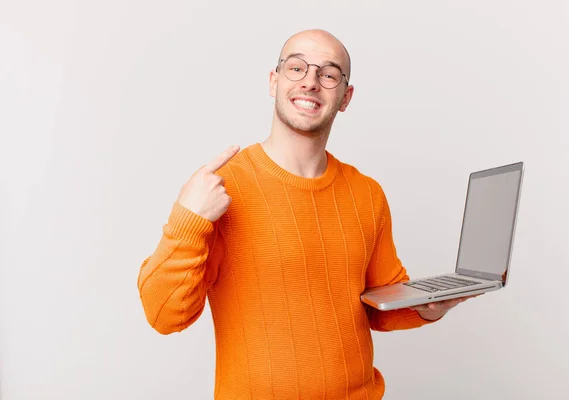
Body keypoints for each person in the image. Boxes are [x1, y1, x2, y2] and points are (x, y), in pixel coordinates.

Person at [137, 29, 478, 399]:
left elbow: (379, 306)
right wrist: (189, 217)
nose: (311, 82)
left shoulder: (367, 194)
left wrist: (429, 307)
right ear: (274, 81)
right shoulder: (221, 189)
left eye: (329, 74)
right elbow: (164, 314)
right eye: (297, 68)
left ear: (345, 97)